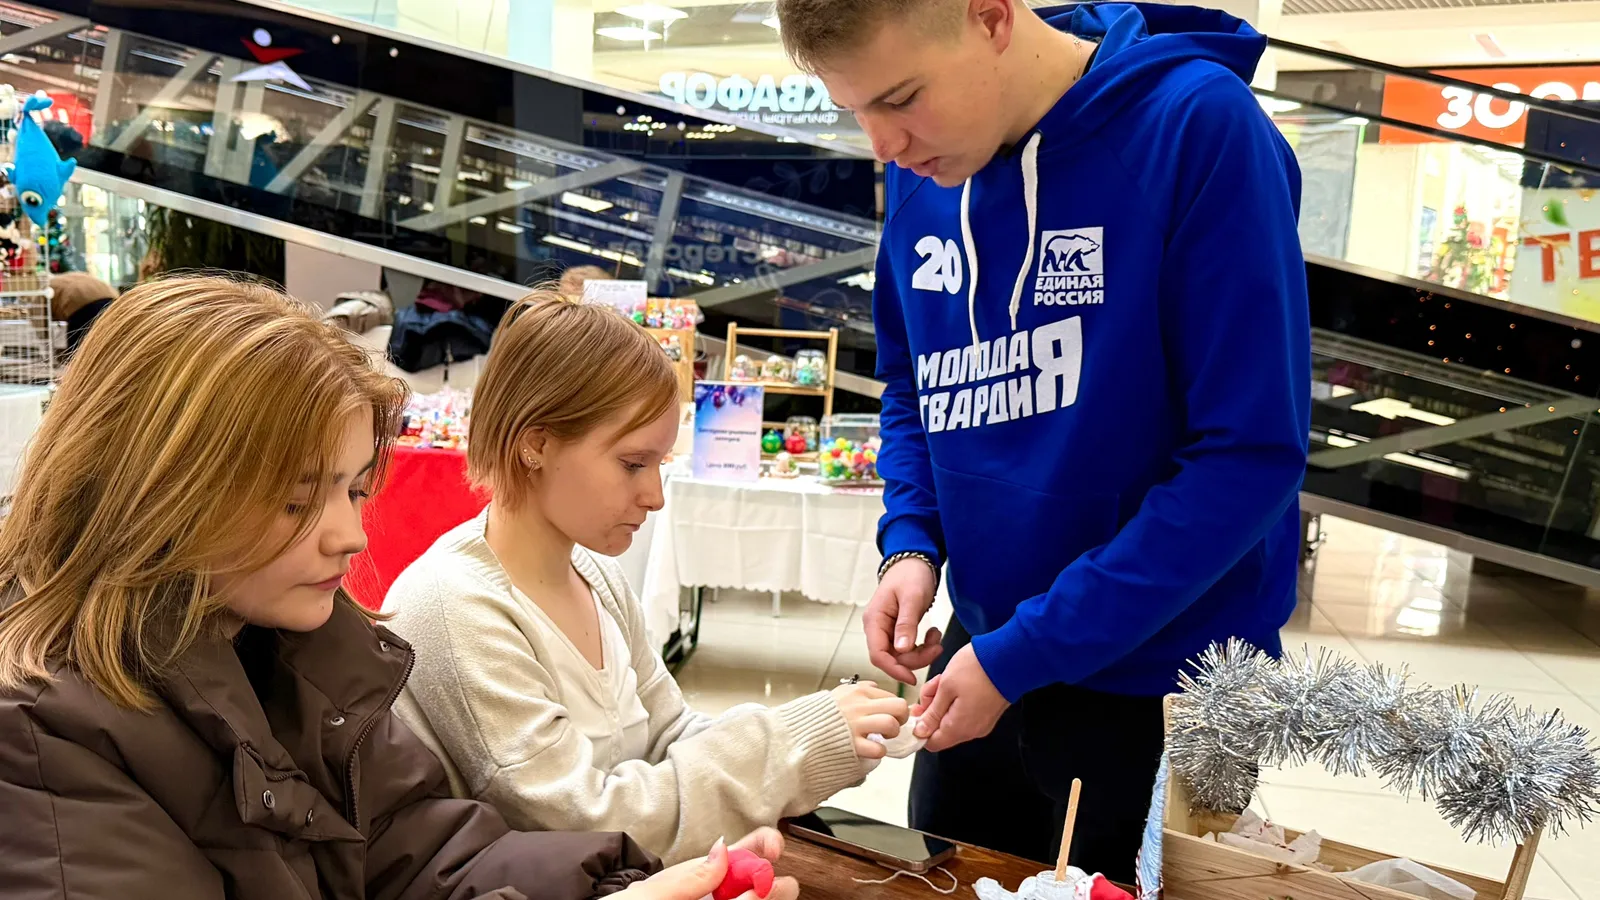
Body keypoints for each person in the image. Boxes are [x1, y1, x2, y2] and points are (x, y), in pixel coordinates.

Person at [0, 275, 798, 900]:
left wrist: (625, 882)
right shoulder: (44, 738)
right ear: (163, 488)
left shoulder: (297, 653)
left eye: (351, 491)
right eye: (295, 497)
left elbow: (424, 854)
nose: (350, 536)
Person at [776, 0, 1311, 879]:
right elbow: (915, 387)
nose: (882, 143)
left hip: (1163, 682)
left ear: (989, 19)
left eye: (902, 97)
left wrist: (1025, 652)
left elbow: (1247, 457)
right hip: (980, 659)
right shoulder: (931, 166)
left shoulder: (1197, 128)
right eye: (855, 109)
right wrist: (912, 543)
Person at [383, 292, 910, 865]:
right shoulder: (454, 606)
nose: (655, 497)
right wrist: (787, 746)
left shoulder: (596, 575)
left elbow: (669, 732)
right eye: (632, 464)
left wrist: (818, 733)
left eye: (658, 465)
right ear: (535, 442)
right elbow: (585, 825)